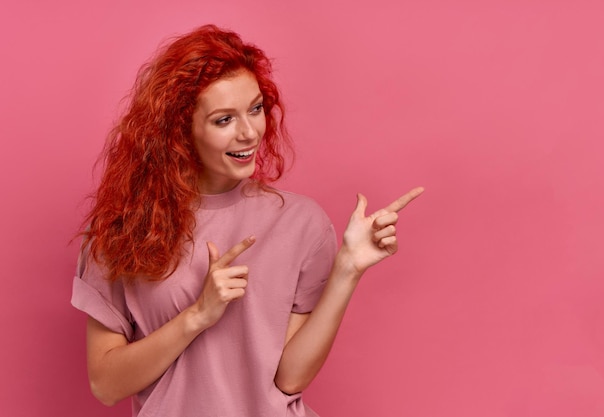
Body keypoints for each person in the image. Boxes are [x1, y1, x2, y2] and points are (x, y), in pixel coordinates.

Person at [71, 24, 423, 417]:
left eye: (255, 109)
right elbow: (105, 384)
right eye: (224, 120)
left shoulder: (300, 223)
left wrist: (347, 269)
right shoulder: (123, 231)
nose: (249, 132)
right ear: (180, 132)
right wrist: (197, 316)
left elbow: (289, 380)